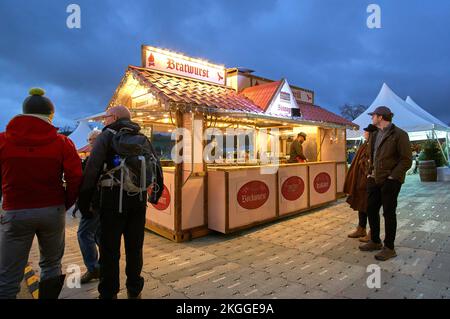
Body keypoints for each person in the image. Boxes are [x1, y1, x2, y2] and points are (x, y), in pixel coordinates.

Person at [0, 88, 83, 299]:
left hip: (15, 211)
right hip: (52, 209)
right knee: (51, 265)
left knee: (9, 273)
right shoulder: (62, 142)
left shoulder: (3, 140)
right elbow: (75, 177)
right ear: (50, 115)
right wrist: (65, 203)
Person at [77, 105, 158, 299]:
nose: (104, 121)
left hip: (112, 201)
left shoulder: (106, 136)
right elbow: (156, 167)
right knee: (134, 248)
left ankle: (109, 293)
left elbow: (92, 171)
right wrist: (154, 195)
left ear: (113, 117)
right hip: (138, 202)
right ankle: (134, 290)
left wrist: (84, 202)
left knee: (110, 251)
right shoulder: (142, 138)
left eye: (106, 118)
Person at [359, 106, 412, 261]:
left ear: (380, 117)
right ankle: (375, 241)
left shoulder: (400, 135)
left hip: (390, 181)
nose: (371, 118)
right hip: (374, 179)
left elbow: (406, 160)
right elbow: (372, 155)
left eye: (373, 116)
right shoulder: (375, 134)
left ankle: (389, 248)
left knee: (388, 213)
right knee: (370, 209)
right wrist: (370, 172)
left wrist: (393, 177)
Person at [344, 124, 377, 242]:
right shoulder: (365, 144)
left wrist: (365, 166)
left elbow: (370, 163)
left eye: (366, 132)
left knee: (369, 207)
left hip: (368, 180)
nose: (364, 133)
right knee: (361, 204)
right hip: (360, 181)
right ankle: (361, 228)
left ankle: (373, 232)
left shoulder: (374, 145)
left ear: (371, 134)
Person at [76, 129, 102, 284]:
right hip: (100, 202)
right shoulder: (102, 155)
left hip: (94, 203)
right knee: (98, 234)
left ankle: (94, 269)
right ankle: (103, 266)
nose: (89, 142)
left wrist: (86, 204)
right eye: (89, 139)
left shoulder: (96, 157)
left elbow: (89, 183)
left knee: (84, 234)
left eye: (91, 139)